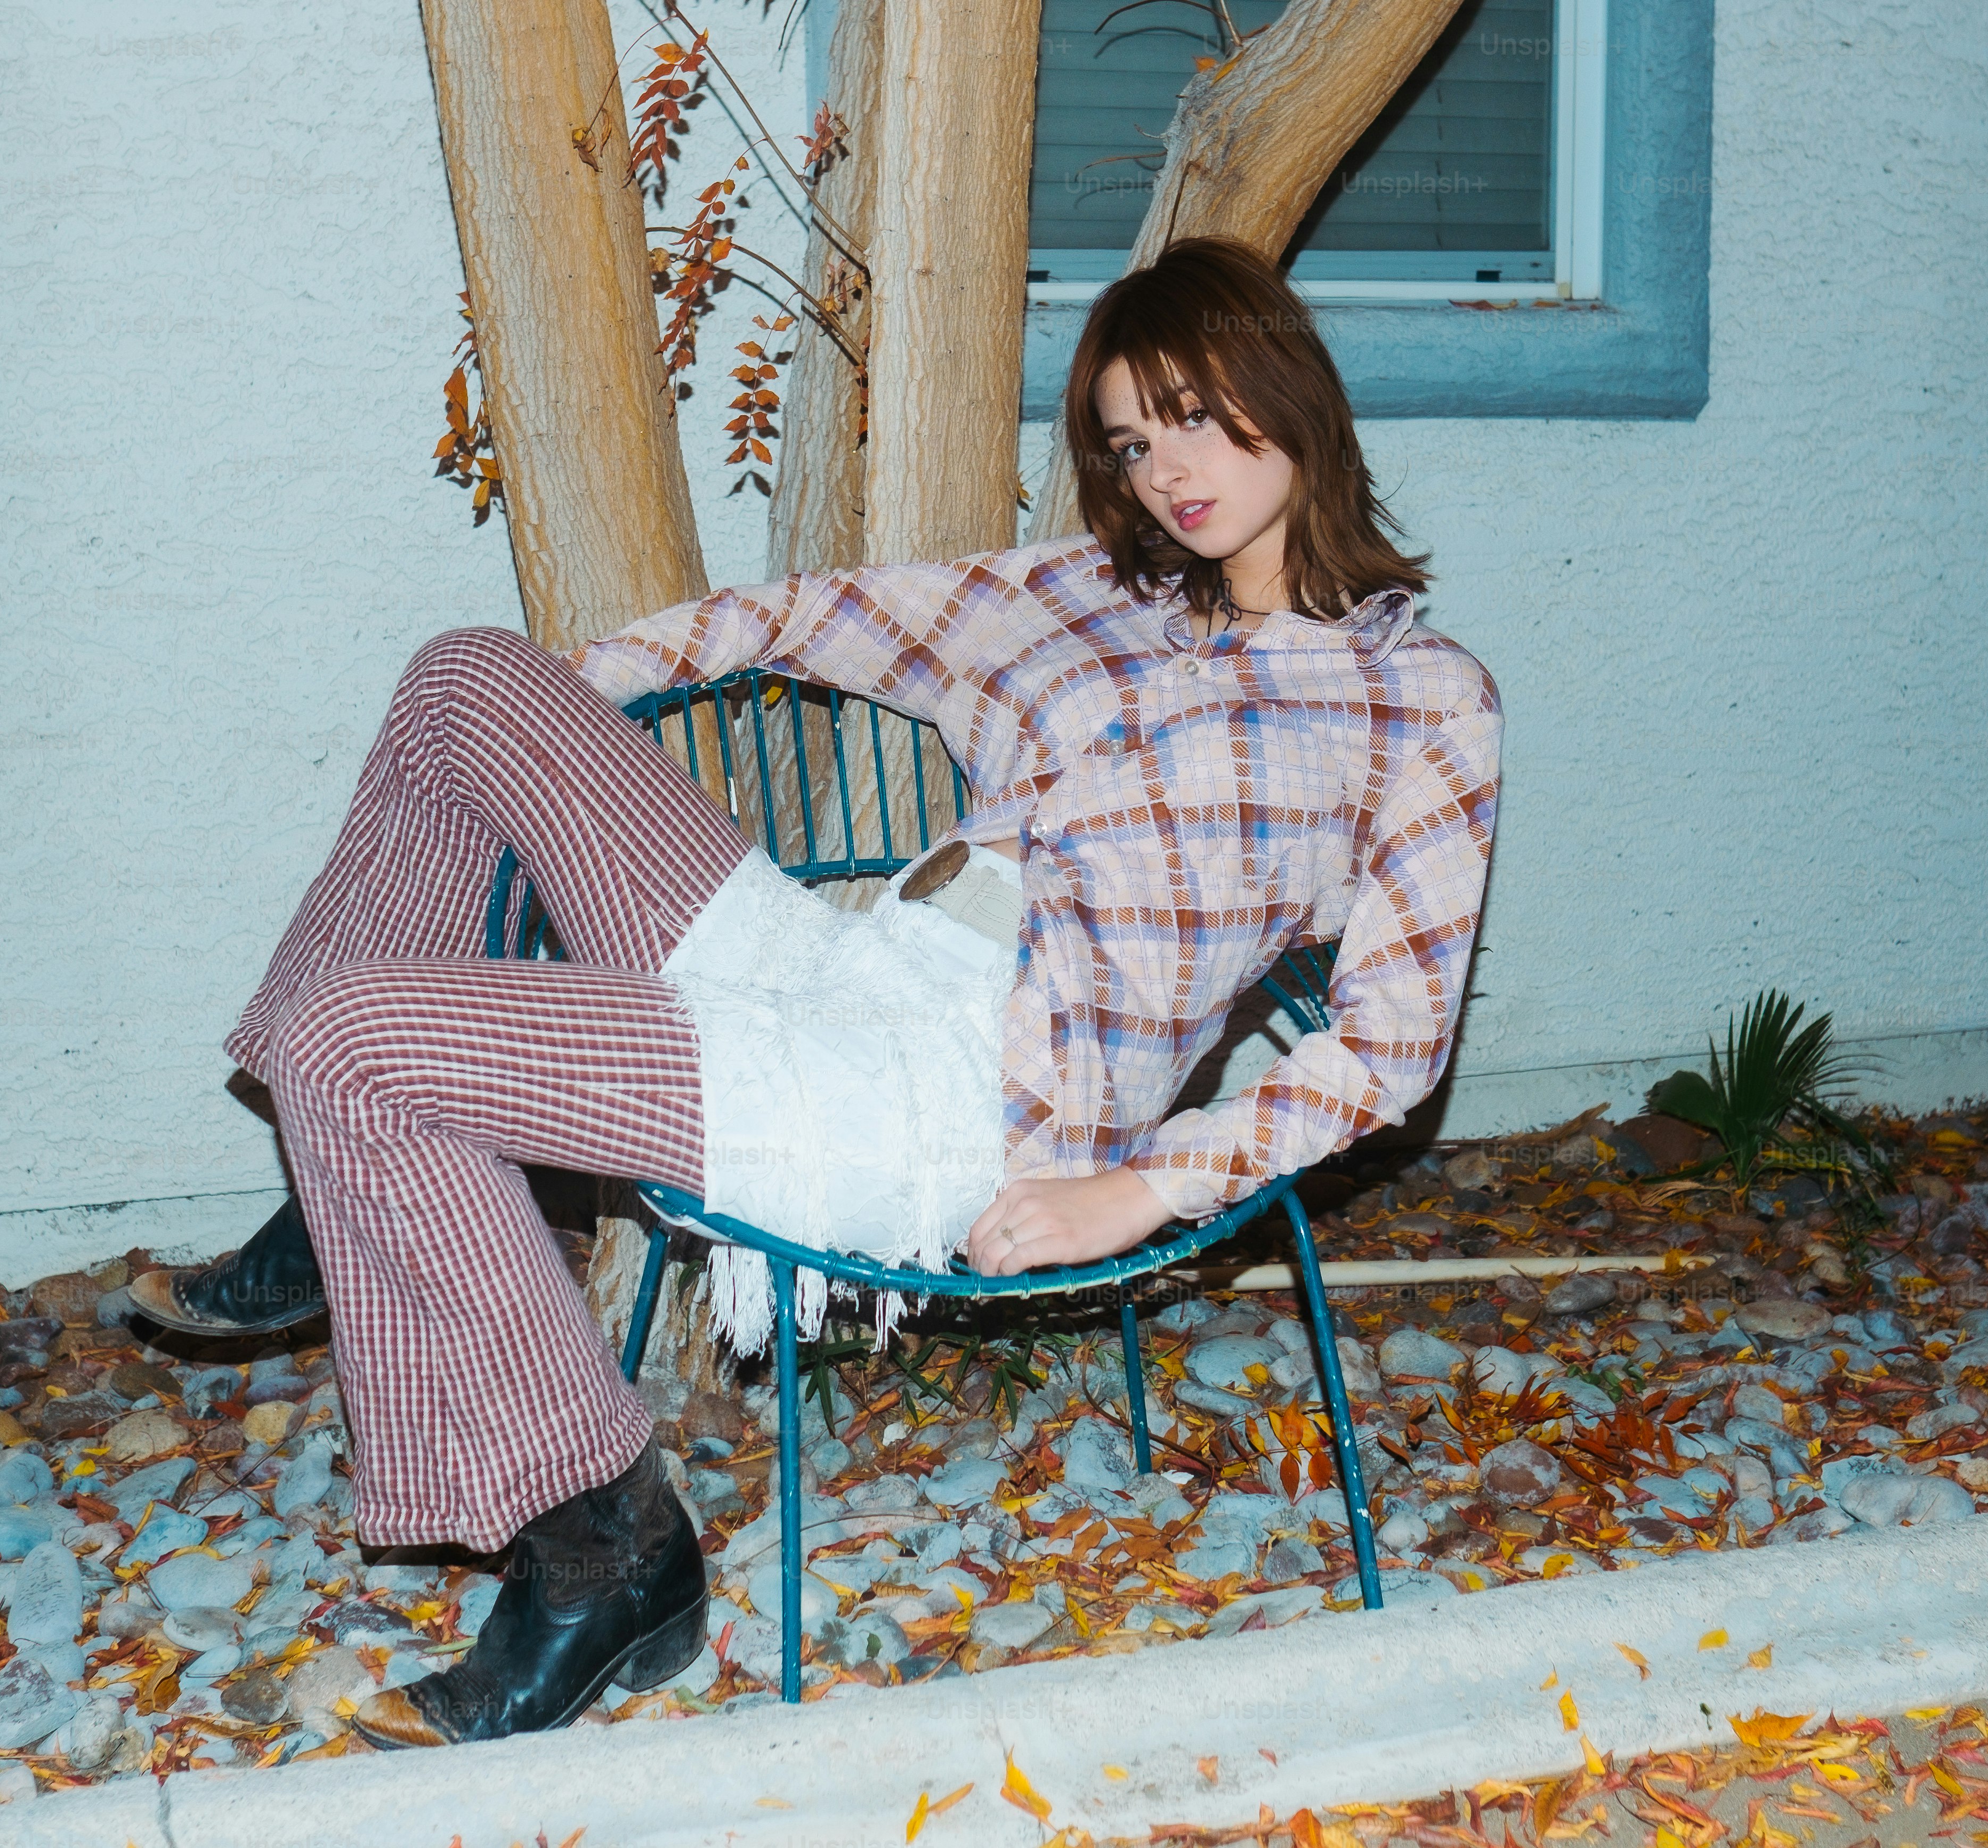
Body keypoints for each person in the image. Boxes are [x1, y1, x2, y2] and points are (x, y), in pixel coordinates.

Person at [132, 235, 1501, 1747]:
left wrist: (1140, 1194)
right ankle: (339, 1188)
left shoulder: (1421, 699)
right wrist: (606, 675)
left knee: (354, 1043)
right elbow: (834, 614)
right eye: (1131, 436)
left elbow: (1391, 1041)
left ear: (1282, 383)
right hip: (845, 963)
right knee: (471, 679)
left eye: (1192, 412)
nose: (1166, 466)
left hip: (953, 1093)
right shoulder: (1094, 594)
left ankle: (606, 1544)